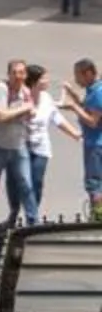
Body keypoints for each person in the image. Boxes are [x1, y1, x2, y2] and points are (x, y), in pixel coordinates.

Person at [0, 60, 35, 224]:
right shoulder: (2, 89)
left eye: (21, 72)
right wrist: (24, 108)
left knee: (26, 184)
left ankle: (32, 221)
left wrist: (27, 110)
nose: (17, 76)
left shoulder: (26, 92)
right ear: (8, 74)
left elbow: (31, 115)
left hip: (18, 145)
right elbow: (2, 116)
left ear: (26, 75)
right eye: (14, 72)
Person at [64, 58, 102, 220]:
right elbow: (87, 105)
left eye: (77, 76)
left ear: (87, 74)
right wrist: (72, 95)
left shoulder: (98, 93)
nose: (76, 80)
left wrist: (73, 108)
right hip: (94, 144)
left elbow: (93, 122)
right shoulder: (93, 90)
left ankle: (98, 217)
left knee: (95, 184)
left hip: (95, 145)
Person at [26, 63, 58, 224]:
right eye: (44, 78)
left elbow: (56, 118)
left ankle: (32, 216)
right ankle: (16, 213)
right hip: (22, 147)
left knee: (36, 182)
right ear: (34, 81)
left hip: (41, 148)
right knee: (23, 183)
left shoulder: (47, 98)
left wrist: (76, 134)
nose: (47, 80)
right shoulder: (22, 96)